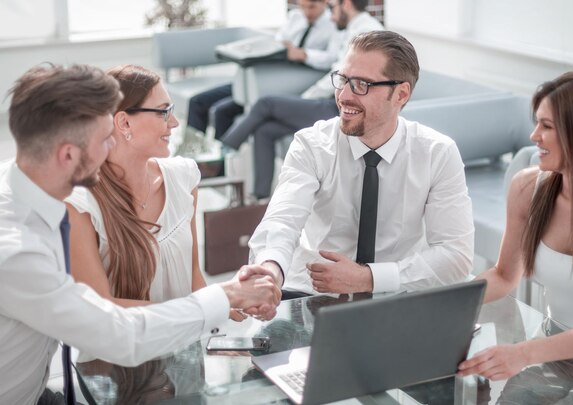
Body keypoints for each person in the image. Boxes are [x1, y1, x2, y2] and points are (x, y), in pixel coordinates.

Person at [0, 63, 280, 404]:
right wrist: (227, 296)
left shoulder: (25, 184)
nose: (110, 151)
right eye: (105, 140)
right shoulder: (16, 251)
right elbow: (117, 334)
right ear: (69, 155)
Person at [237, 31, 474, 297]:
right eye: (343, 79)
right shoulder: (311, 145)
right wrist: (270, 269)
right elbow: (282, 221)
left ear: (401, 94)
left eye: (362, 84)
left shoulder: (437, 154)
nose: (344, 96)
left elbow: (456, 255)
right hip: (312, 293)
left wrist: (369, 278)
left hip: (395, 295)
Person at [457, 71, 573, 382]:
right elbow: (505, 276)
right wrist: (454, 300)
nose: (534, 135)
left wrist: (523, 353)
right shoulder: (527, 187)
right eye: (537, 123)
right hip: (551, 342)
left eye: (546, 126)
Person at [65, 64, 207, 309]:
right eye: (163, 112)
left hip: (188, 342)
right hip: (121, 346)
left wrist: (229, 303)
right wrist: (197, 312)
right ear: (124, 123)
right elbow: (98, 308)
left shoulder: (182, 178)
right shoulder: (81, 204)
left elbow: (195, 278)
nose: (173, 123)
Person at [220, 0, 383, 199]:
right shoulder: (352, 29)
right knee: (265, 131)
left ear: (346, 4)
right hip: (335, 101)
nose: (331, 16)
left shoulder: (367, 32)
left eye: (332, 8)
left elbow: (340, 75)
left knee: (266, 104)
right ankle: (260, 198)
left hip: (341, 107)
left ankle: (223, 153)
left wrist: (304, 100)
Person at [181, 0, 336, 155]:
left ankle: (220, 168)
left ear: (324, 3)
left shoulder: (333, 25)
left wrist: (304, 54)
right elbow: (278, 42)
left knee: (221, 111)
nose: (307, 12)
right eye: (303, 6)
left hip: (283, 85)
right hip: (261, 76)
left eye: (312, 7)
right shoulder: (295, 17)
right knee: (199, 101)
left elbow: (333, 58)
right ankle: (193, 158)